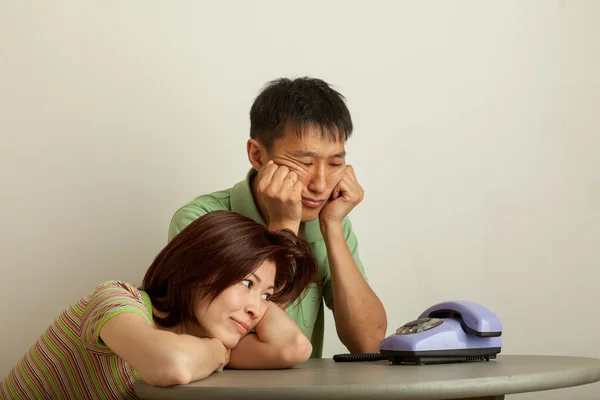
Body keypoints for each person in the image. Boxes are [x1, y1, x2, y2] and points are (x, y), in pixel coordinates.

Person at [169, 77, 387, 358]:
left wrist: (332, 227)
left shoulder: (329, 222)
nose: (320, 185)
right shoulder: (199, 220)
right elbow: (238, 343)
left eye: (335, 163)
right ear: (257, 155)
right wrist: (284, 228)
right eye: (305, 163)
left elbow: (367, 343)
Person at [0, 210, 317, 400]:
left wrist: (258, 287)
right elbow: (171, 365)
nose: (257, 310)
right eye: (247, 283)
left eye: (266, 296)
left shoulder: (206, 339)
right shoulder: (115, 300)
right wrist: (216, 353)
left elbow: (293, 348)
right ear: (196, 270)